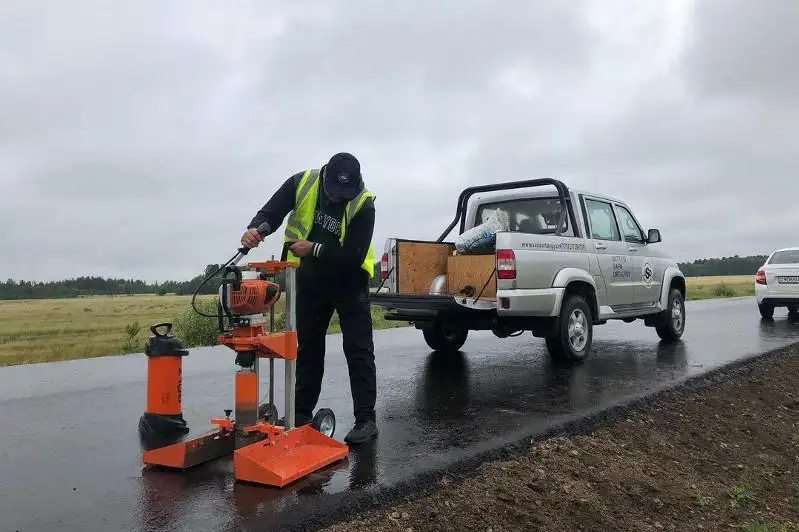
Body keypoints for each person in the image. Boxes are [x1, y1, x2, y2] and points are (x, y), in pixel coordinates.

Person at [240, 152, 379, 445]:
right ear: (325, 175)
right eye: (333, 192)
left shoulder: (364, 203)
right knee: (309, 347)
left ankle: (366, 419)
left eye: (344, 193)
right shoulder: (302, 182)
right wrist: (256, 228)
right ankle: (301, 413)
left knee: (358, 348)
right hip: (311, 280)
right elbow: (272, 212)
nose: (337, 198)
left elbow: (354, 254)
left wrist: (313, 248)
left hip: (349, 280)